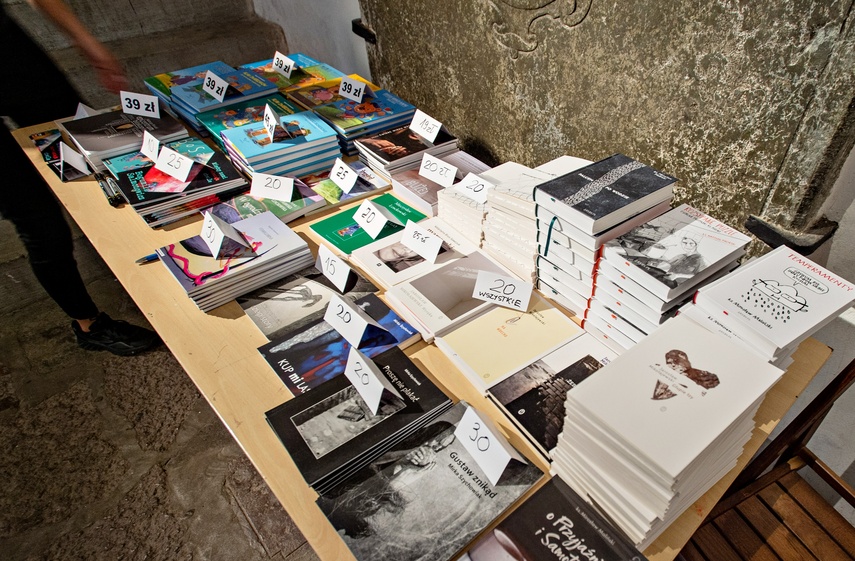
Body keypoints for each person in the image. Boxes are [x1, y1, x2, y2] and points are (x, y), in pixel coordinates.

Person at [1, 0, 159, 355]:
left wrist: (89, 44)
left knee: (99, 152)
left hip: (8, 53)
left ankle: (154, 255)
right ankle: (89, 325)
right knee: (38, 220)